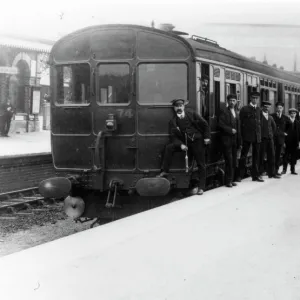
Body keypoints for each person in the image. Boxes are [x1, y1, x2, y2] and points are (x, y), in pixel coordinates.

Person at [158, 98, 211, 195]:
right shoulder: (173, 121)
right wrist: (181, 145)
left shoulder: (192, 114)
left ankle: (201, 187)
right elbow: (173, 137)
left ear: (184, 106)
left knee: (201, 163)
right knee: (169, 147)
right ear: (174, 108)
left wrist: (207, 137)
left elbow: (205, 124)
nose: (179, 108)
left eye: (180, 106)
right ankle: (165, 170)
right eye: (177, 106)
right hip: (185, 143)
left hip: (197, 141)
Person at [237, 91, 264, 182]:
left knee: (256, 156)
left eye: (256, 98)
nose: (255, 100)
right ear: (250, 98)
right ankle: (239, 175)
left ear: (258, 99)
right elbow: (240, 123)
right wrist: (241, 136)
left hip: (257, 136)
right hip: (247, 136)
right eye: (253, 98)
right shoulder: (244, 109)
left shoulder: (259, 110)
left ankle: (255, 175)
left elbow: (260, 123)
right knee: (243, 156)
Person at [218, 94, 241, 187]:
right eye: (230, 100)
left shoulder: (236, 111)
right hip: (227, 140)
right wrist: (230, 130)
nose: (232, 102)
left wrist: (240, 142)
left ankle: (231, 180)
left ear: (236, 102)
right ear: (227, 101)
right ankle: (228, 181)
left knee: (234, 160)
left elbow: (239, 127)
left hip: (235, 141)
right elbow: (220, 124)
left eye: (234, 100)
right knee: (229, 160)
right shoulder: (224, 112)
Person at [259, 101, 280, 179]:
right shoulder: (259, 116)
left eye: (268, 107)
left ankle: (272, 173)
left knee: (272, 156)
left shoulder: (270, 117)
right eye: (265, 107)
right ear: (262, 107)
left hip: (270, 139)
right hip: (262, 139)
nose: (267, 108)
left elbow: (274, 127)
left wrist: (271, 135)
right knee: (261, 156)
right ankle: (260, 173)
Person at [271, 102, 289, 175]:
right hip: (272, 138)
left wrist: (285, 133)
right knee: (271, 154)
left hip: (280, 139)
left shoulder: (285, 118)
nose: (279, 109)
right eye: (278, 108)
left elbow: (288, 128)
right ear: (276, 108)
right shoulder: (272, 116)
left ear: (283, 108)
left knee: (278, 155)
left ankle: (276, 170)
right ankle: (270, 170)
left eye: (280, 108)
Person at [282, 108, 300, 175]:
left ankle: (293, 170)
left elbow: (299, 133)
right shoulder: (286, 121)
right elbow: (283, 132)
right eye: (292, 113)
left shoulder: (297, 122)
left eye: (294, 113)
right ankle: (284, 170)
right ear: (289, 114)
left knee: (293, 156)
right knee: (285, 156)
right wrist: (283, 141)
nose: (293, 115)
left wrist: (299, 142)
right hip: (287, 142)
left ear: (296, 114)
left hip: (295, 142)